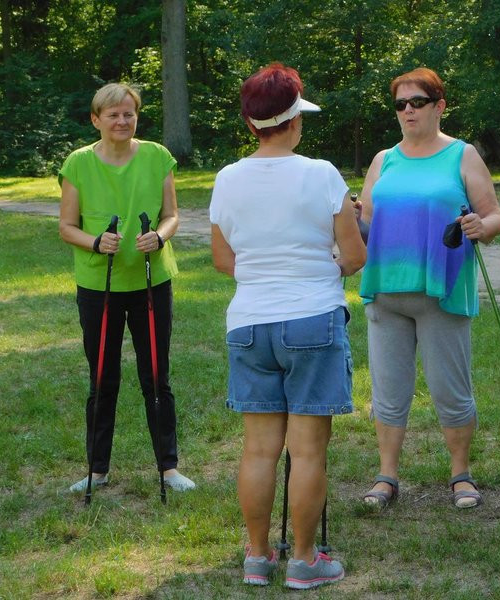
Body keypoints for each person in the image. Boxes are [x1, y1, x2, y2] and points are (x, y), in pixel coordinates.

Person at [209, 63, 365, 589]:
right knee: (307, 450)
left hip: (250, 322)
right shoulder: (322, 174)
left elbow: (223, 260)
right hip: (312, 319)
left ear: (252, 124)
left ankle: (257, 556)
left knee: (258, 449)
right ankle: (303, 559)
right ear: (294, 119)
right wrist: (325, 259)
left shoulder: (227, 178)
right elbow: (354, 254)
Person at [357, 67, 500, 510]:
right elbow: (365, 224)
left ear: (439, 106)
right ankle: (387, 475)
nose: (407, 111)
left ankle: (461, 474)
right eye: (400, 104)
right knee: (388, 389)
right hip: (386, 290)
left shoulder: (462, 156)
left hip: (443, 289)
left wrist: (483, 226)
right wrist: (349, 218)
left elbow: (495, 216)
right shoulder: (385, 160)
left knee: (450, 388)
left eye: (416, 102)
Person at [59, 83, 195, 495]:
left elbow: (171, 215)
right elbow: (67, 227)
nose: (122, 121)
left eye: (129, 114)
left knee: (156, 376)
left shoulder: (156, 156)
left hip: (151, 282)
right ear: (95, 119)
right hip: (98, 285)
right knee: (103, 378)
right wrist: (96, 242)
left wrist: (161, 235)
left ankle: (168, 468)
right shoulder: (78, 163)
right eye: (113, 114)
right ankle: (97, 469)